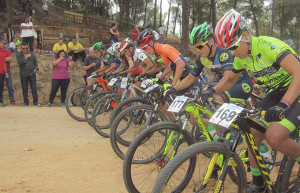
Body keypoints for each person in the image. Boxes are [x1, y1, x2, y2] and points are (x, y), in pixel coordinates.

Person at [213, 9, 300, 192]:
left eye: (233, 47)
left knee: (274, 137)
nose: (233, 54)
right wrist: (210, 91)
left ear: (245, 35)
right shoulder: (241, 57)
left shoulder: (268, 45)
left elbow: (298, 71)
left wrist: (284, 104)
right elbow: (230, 79)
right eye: (228, 50)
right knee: (252, 133)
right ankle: (259, 182)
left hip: (296, 87)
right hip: (277, 91)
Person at [170, 22, 253, 105]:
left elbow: (228, 77)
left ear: (211, 42)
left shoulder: (223, 53)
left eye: (200, 46)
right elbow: (191, 78)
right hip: (223, 84)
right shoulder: (201, 58)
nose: (198, 50)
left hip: (241, 83)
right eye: (195, 47)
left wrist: (213, 90)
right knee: (196, 103)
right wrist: (174, 89)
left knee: (217, 98)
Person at [0, 37, 9, 107]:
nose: (4, 45)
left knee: (1, 87)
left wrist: (5, 72)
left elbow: (4, 63)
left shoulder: (2, 52)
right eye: (3, 43)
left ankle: (1, 101)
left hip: (2, 72)